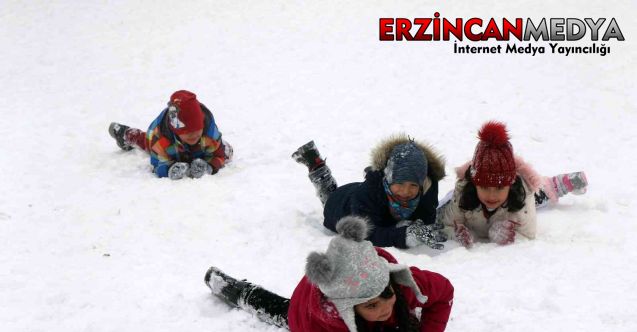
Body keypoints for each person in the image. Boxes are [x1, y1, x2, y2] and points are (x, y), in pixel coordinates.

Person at [205, 216, 454, 332]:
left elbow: (444, 293)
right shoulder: (322, 323)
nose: (384, 307)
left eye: (386, 294)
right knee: (282, 312)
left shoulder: (399, 283)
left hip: (347, 277)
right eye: (371, 305)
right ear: (349, 309)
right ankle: (235, 290)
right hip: (305, 312)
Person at [437, 121, 588, 247]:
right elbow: (446, 225)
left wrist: (506, 235)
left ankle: (555, 185)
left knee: (539, 195)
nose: (491, 195)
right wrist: (461, 235)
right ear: (475, 183)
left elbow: (528, 234)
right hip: (471, 198)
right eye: (484, 187)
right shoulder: (463, 193)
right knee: (446, 203)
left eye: (499, 187)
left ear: (510, 183)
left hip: (515, 199)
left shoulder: (522, 195)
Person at [291, 135, 448, 250]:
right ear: (388, 178)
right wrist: (403, 236)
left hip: (360, 196)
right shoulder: (368, 193)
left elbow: (426, 217)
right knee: (330, 196)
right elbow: (365, 233)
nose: (406, 191)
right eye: (399, 183)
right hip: (341, 206)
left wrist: (420, 226)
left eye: (413, 185)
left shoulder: (428, 187)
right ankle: (317, 168)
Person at [108, 90, 232, 179]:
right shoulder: (161, 139)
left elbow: (219, 155)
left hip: (200, 148)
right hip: (168, 145)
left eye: (197, 130)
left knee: (226, 151)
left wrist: (209, 166)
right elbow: (157, 164)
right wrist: (170, 169)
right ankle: (126, 134)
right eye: (188, 133)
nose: (194, 135)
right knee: (146, 142)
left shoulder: (209, 133)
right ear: (177, 131)